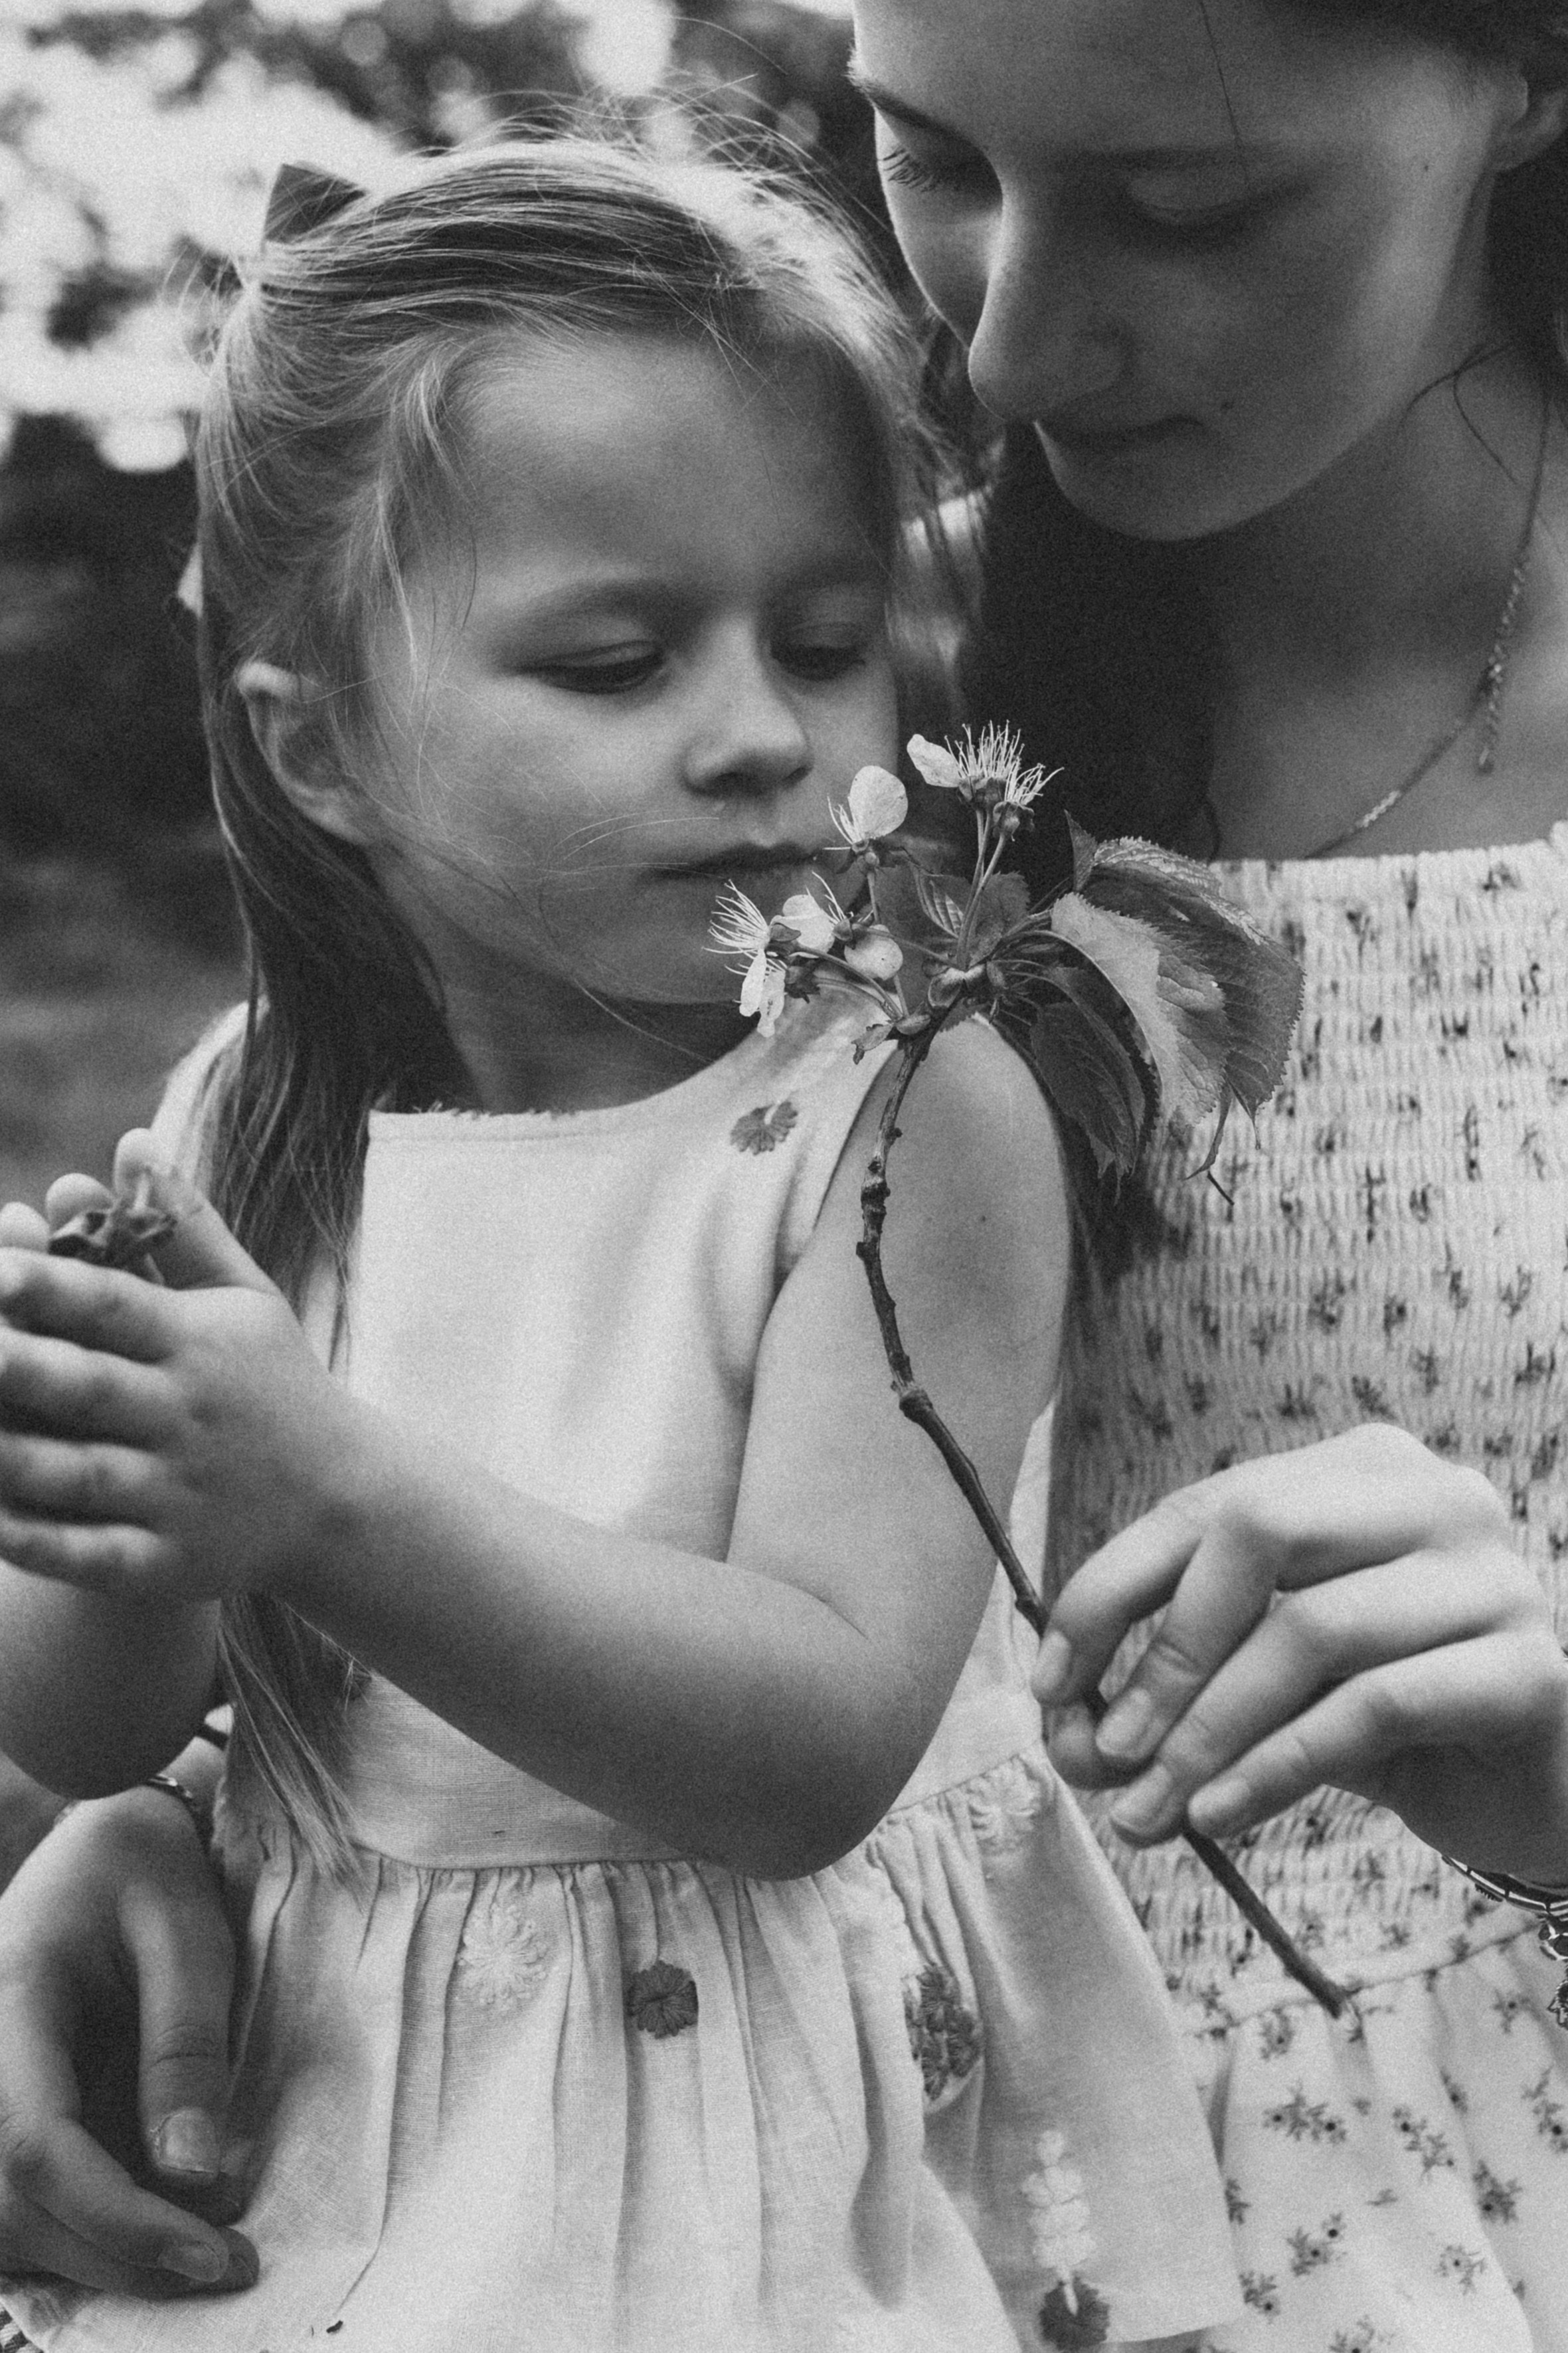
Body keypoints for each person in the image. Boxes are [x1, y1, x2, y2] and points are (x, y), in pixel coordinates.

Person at [0, 140, 1242, 2352]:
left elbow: (806, 1746)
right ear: (322, 754)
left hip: (765, 2149)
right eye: (615, 659)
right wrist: (120, 1495)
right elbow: (91, 1732)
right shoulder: (254, 1122)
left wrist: (320, 1491)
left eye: (828, 637)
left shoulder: (899, 1108)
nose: (761, 730)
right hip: (355, 2138)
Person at [846, 0, 1568, 2344]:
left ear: (1532, 77)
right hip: (831, 2190)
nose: (1010, 343)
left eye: (1186, 202)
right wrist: (212, 1815)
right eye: (928, 156)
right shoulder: (772, 699)